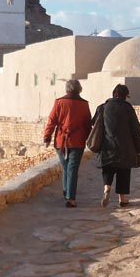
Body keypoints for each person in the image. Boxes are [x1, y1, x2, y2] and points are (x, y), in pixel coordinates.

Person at [44, 79, 92, 208]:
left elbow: (51, 121)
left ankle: (67, 194)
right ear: (79, 89)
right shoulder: (84, 104)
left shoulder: (59, 102)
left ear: (67, 89)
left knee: (66, 167)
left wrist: (47, 137)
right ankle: (70, 198)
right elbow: (88, 124)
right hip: (78, 141)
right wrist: (89, 139)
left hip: (61, 141)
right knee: (72, 168)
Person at [95, 84, 140, 208]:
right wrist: (139, 149)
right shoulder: (128, 108)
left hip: (107, 145)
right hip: (125, 147)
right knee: (123, 171)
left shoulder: (103, 107)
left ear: (113, 94)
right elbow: (136, 129)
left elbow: (94, 124)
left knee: (108, 168)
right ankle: (122, 199)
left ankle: (107, 187)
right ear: (124, 96)